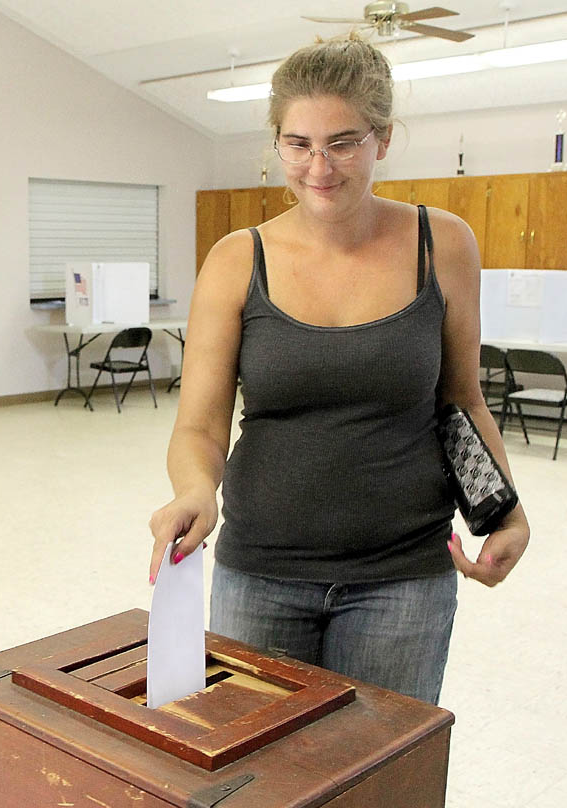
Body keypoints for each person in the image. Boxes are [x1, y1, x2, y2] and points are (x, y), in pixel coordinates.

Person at [149, 35, 530, 705]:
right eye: (298, 143)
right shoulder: (238, 261)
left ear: (382, 137)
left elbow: (463, 400)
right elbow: (201, 426)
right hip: (261, 574)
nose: (318, 167)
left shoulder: (444, 244)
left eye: (343, 142)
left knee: (372, 789)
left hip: (404, 581)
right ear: (276, 143)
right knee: (258, 788)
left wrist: (509, 514)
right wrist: (193, 489)